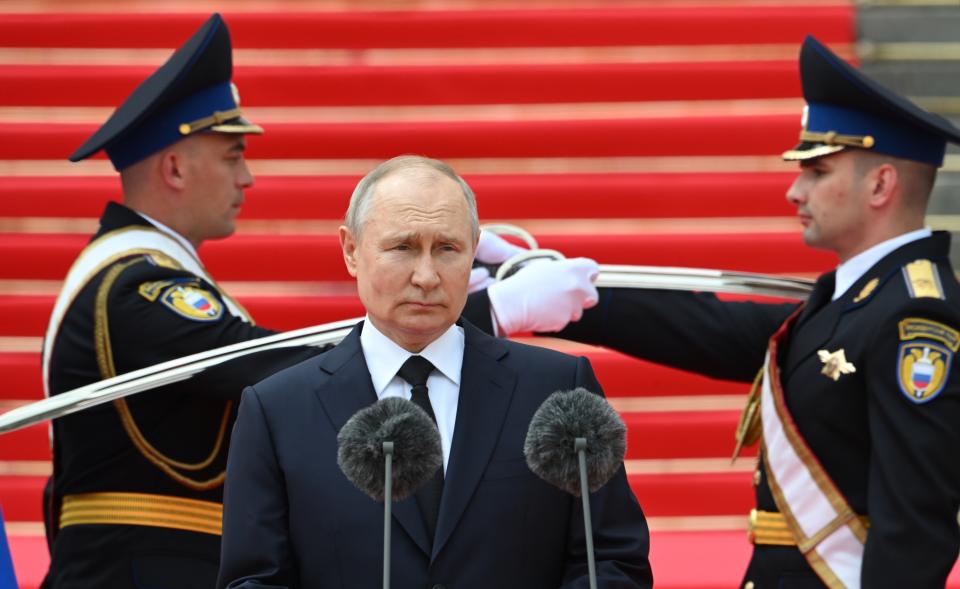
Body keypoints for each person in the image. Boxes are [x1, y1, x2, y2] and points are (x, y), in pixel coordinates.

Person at [39, 14, 599, 589]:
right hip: (133, 570)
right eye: (233, 155)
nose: (248, 177)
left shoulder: (141, 275)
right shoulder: (135, 288)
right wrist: (488, 314)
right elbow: (287, 369)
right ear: (176, 166)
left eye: (446, 250)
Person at [546, 36, 960, 588]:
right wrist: (575, 298)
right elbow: (711, 330)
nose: (795, 190)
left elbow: (916, 527)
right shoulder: (857, 297)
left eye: (817, 173)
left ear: (881, 185)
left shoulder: (917, 316)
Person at [216, 155, 652, 588]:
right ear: (351, 250)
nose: (426, 276)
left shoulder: (556, 389)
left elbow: (613, 561)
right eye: (402, 247)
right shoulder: (278, 410)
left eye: (447, 248)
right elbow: (254, 579)